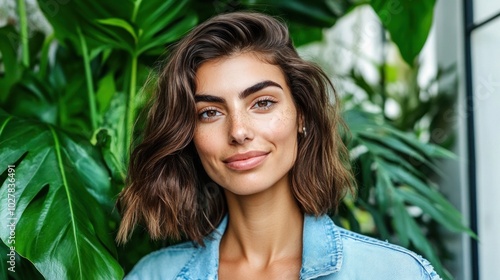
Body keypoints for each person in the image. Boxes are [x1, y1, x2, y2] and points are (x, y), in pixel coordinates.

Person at [117, 12, 441, 280]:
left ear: (301, 114)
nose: (239, 132)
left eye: (262, 103)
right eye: (210, 112)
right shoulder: (155, 275)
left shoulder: (393, 273)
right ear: (189, 134)